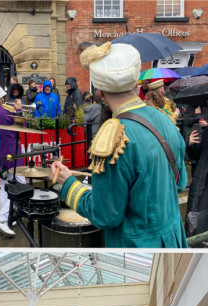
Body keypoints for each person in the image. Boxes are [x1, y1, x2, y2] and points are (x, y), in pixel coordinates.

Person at [51, 42, 188, 248]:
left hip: (138, 249)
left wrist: (67, 182)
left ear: (101, 93)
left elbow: (106, 215)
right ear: (135, 85)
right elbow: (180, 182)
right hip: (172, 240)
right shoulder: (164, 118)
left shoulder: (113, 138)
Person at [0, 82, 25, 238]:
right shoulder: (5, 111)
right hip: (11, 155)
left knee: (4, 187)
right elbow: (23, 125)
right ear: (0, 97)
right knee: (16, 186)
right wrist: (20, 109)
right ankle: (2, 219)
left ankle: (7, 217)